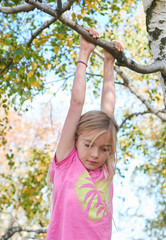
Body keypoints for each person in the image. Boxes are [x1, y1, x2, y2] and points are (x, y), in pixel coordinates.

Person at [46, 28, 123, 240]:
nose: (95, 154)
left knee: (108, 121)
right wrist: (84, 53)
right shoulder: (66, 163)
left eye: (104, 149)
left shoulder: (105, 170)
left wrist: (109, 62)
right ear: (77, 139)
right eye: (88, 145)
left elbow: (108, 111)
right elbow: (76, 103)